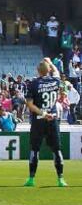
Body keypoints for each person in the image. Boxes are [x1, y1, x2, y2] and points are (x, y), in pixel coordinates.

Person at [24, 58, 67, 187]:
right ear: (49, 70)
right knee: (56, 150)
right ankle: (60, 179)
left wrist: (43, 113)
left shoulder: (33, 84)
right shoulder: (55, 80)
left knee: (35, 150)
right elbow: (57, 72)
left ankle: (31, 179)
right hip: (53, 119)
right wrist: (51, 63)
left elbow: (30, 104)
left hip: (39, 120)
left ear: (38, 71)